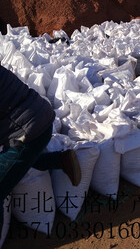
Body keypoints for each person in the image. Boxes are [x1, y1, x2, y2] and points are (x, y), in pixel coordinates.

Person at [0, 64, 81, 237]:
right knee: (17, 162)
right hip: (39, 120)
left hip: (27, 132)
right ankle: (61, 160)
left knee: (13, 162)